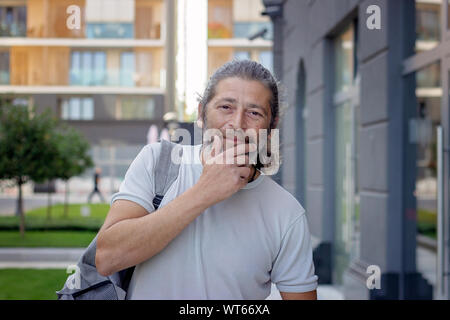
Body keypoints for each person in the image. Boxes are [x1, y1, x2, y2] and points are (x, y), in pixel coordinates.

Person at [95, 60, 318, 300]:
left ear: (271, 125)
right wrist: (204, 192)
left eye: (254, 113)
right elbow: (107, 258)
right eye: (226, 107)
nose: (237, 124)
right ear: (201, 113)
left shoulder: (286, 213)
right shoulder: (158, 161)